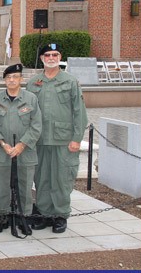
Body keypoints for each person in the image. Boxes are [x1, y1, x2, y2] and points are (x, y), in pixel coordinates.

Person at [26, 43, 88, 234]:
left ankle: (60, 215)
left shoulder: (70, 82)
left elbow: (80, 113)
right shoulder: (33, 83)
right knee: (42, 178)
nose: (51, 58)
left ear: (60, 57)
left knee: (62, 179)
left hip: (63, 140)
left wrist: (77, 138)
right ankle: (45, 214)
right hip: (40, 140)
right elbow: (27, 112)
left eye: (55, 54)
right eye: (47, 54)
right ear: (42, 58)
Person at [0, 63, 42, 235]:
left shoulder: (31, 99)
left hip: (25, 152)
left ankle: (24, 217)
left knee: (25, 187)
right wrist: (2, 144)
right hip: (2, 152)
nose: (12, 80)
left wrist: (22, 144)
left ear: (21, 79)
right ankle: (4, 216)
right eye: (8, 77)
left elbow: (36, 125)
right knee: (3, 186)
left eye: (15, 77)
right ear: (4, 80)